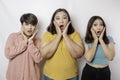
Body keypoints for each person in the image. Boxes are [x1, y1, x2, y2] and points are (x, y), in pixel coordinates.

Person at [40, 8, 84, 80]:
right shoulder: (47, 34)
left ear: (68, 21)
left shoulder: (75, 34)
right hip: (50, 76)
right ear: (53, 22)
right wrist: (59, 35)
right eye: (58, 18)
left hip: (71, 76)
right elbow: (44, 55)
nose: (61, 21)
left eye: (64, 18)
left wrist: (65, 36)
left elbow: (78, 54)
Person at [5, 13, 42, 80]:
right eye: (27, 24)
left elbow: (38, 59)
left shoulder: (38, 41)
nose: (30, 27)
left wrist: (30, 42)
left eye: (33, 25)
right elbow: (8, 54)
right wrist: (25, 42)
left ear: (35, 27)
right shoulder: (13, 36)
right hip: (14, 77)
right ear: (22, 25)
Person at [81, 16, 115, 80]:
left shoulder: (109, 39)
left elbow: (111, 57)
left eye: (101, 24)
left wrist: (101, 40)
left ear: (104, 27)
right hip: (89, 71)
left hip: (104, 72)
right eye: (95, 25)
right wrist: (96, 40)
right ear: (90, 27)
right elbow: (88, 58)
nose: (99, 27)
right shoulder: (86, 40)